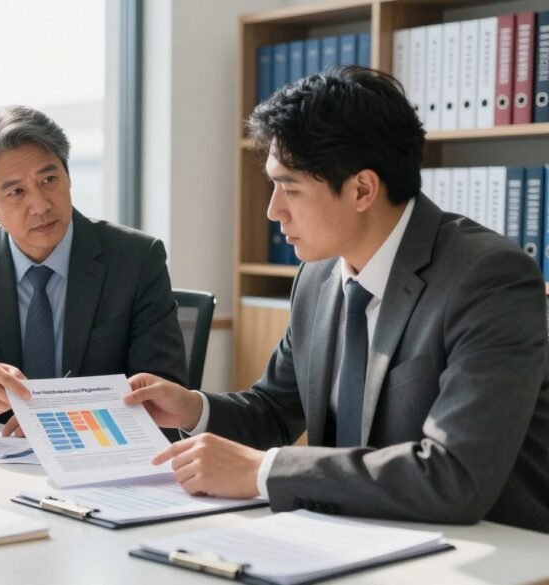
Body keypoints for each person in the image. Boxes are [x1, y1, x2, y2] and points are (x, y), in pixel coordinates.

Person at [126, 66, 549, 533]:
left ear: (362, 189)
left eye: (289, 187)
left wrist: (260, 472)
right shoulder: (318, 275)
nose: (272, 210)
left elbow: (455, 475)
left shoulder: (489, 279)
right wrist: (194, 408)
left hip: (491, 554)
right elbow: (275, 408)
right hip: (354, 536)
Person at [0, 105, 187, 434]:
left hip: (103, 453)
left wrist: (61, 418)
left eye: (49, 179)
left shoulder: (136, 258)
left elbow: (163, 390)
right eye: (16, 192)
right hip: (3, 461)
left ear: (68, 176)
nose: (41, 205)